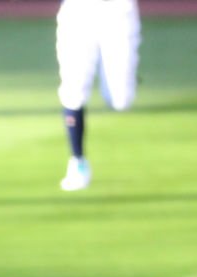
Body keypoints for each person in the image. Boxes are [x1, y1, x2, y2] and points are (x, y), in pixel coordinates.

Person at [56, 0, 141, 191]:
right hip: (77, 11)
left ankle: (123, 72)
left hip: (118, 10)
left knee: (121, 100)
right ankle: (77, 161)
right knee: (73, 89)